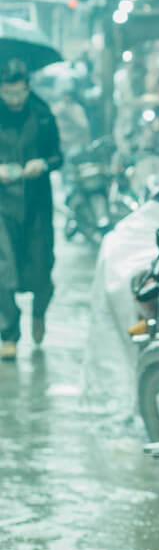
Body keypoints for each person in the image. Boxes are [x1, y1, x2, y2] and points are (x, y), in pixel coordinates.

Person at [0, 58, 63, 360]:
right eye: (7, 93)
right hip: (2, 206)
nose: (13, 100)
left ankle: (39, 314)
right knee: (3, 270)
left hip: (37, 205)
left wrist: (45, 164)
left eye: (18, 93)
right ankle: (9, 333)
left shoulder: (42, 115)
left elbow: (58, 156)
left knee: (42, 267)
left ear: (28, 87)